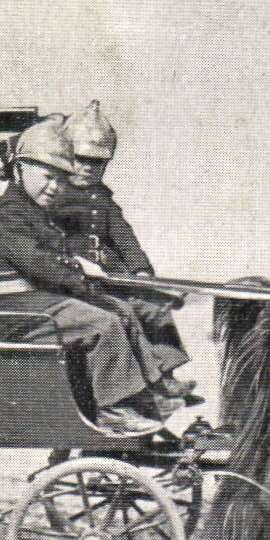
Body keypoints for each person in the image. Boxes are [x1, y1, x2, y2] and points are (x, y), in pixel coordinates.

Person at [0, 115, 188, 433]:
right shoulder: (6, 214)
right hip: (23, 310)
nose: (54, 187)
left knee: (120, 309)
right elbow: (42, 264)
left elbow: (61, 256)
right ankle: (111, 408)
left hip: (42, 302)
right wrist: (82, 279)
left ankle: (145, 392)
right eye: (46, 177)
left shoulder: (34, 211)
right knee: (104, 321)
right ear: (18, 169)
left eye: (60, 179)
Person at [55, 100, 193, 398]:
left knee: (155, 308)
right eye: (82, 159)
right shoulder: (52, 196)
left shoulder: (101, 198)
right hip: (75, 285)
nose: (89, 168)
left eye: (98, 162)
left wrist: (141, 270)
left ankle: (166, 372)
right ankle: (144, 385)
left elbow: (124, 236)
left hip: (111, 278)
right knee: (124, 313)